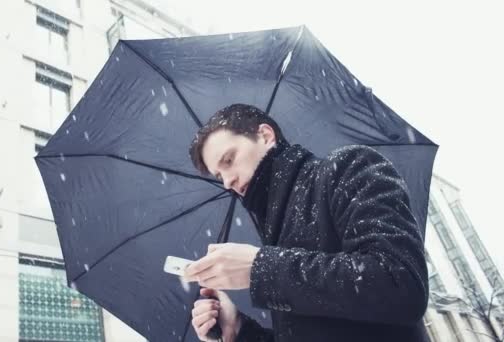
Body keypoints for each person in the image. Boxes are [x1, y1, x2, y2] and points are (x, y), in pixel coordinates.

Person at [183, 103, 429, 342]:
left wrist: (260, 268)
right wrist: (238, 329)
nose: (227, 182)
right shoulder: (272, 233)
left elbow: (399, 283)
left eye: (228, 160)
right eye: (219, 175)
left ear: (265, 135)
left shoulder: (345, 169)